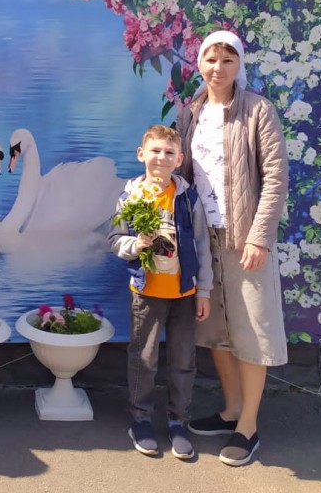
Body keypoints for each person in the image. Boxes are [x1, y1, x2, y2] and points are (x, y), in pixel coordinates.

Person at [176, 30, 289, 467]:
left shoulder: (258, 110)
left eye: (227, 60)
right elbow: (182, 176)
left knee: (252, 329)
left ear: (239, 64)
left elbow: (275, 177)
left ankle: (249, 426)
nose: (218, 68)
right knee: (217, 331)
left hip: (244, 240)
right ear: (199, 64)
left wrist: (260, 236)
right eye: (211, 59)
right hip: (204, 239)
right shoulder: (190, 113)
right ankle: (231, 409)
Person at [109, 125, 213, 461]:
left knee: (183, 360)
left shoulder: (187, 197)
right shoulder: (130, 197)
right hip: (147, 292)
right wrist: (135, 244)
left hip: (185, 293)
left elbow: (202, 245)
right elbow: (115, 239)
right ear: (141, 154)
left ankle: (178, 421)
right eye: (155, 151)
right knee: (144, 358)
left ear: (179, 159)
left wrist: (204, 290)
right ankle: (141, 419)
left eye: (169, 153)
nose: (161, 158)